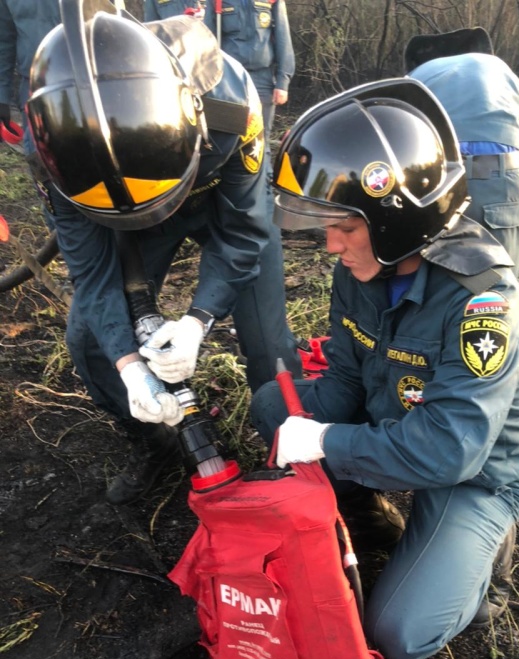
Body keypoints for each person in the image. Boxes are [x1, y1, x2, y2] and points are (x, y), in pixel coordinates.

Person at [250, 78, 519, 659]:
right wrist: (311, 428)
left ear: (395, 220)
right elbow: (346, 379)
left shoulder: (482, 301)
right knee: (273, 409)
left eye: (346, 227)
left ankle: (488, 564)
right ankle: (367, 513)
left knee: (400, 633)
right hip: (395, 422)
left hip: (474, 470)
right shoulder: (359, 271)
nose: (332, 245)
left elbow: (449, 450)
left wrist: (328, 441)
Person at [26, 1, 301, 505]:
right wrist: (130, 366)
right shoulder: (51, 146)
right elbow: (91, 270)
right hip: (121, 214)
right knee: (90, 341)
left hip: (218, 198)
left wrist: (198, 319)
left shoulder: (232, 105)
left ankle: (294, 456)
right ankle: (154, 439)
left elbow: (244, 233)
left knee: (268, 342)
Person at [405, 27, 519, 279]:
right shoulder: (503, 75)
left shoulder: (414, 79)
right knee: (495, 299)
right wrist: (516, 270)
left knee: (426, 297)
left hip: (429, 186)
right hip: (501, 181)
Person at [202, 0, 295, 163]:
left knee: (260, 142)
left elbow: (283, 37)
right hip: (230, 80)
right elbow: (207, 40)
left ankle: (264, 186)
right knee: (229, 140)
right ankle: (232, 185)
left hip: (263, 80)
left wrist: (283, 82)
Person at [0, 0, 61, 155]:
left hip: (83, 82)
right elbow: (4, 41)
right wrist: (2, 97)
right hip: (32, 85)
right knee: (38, 156)